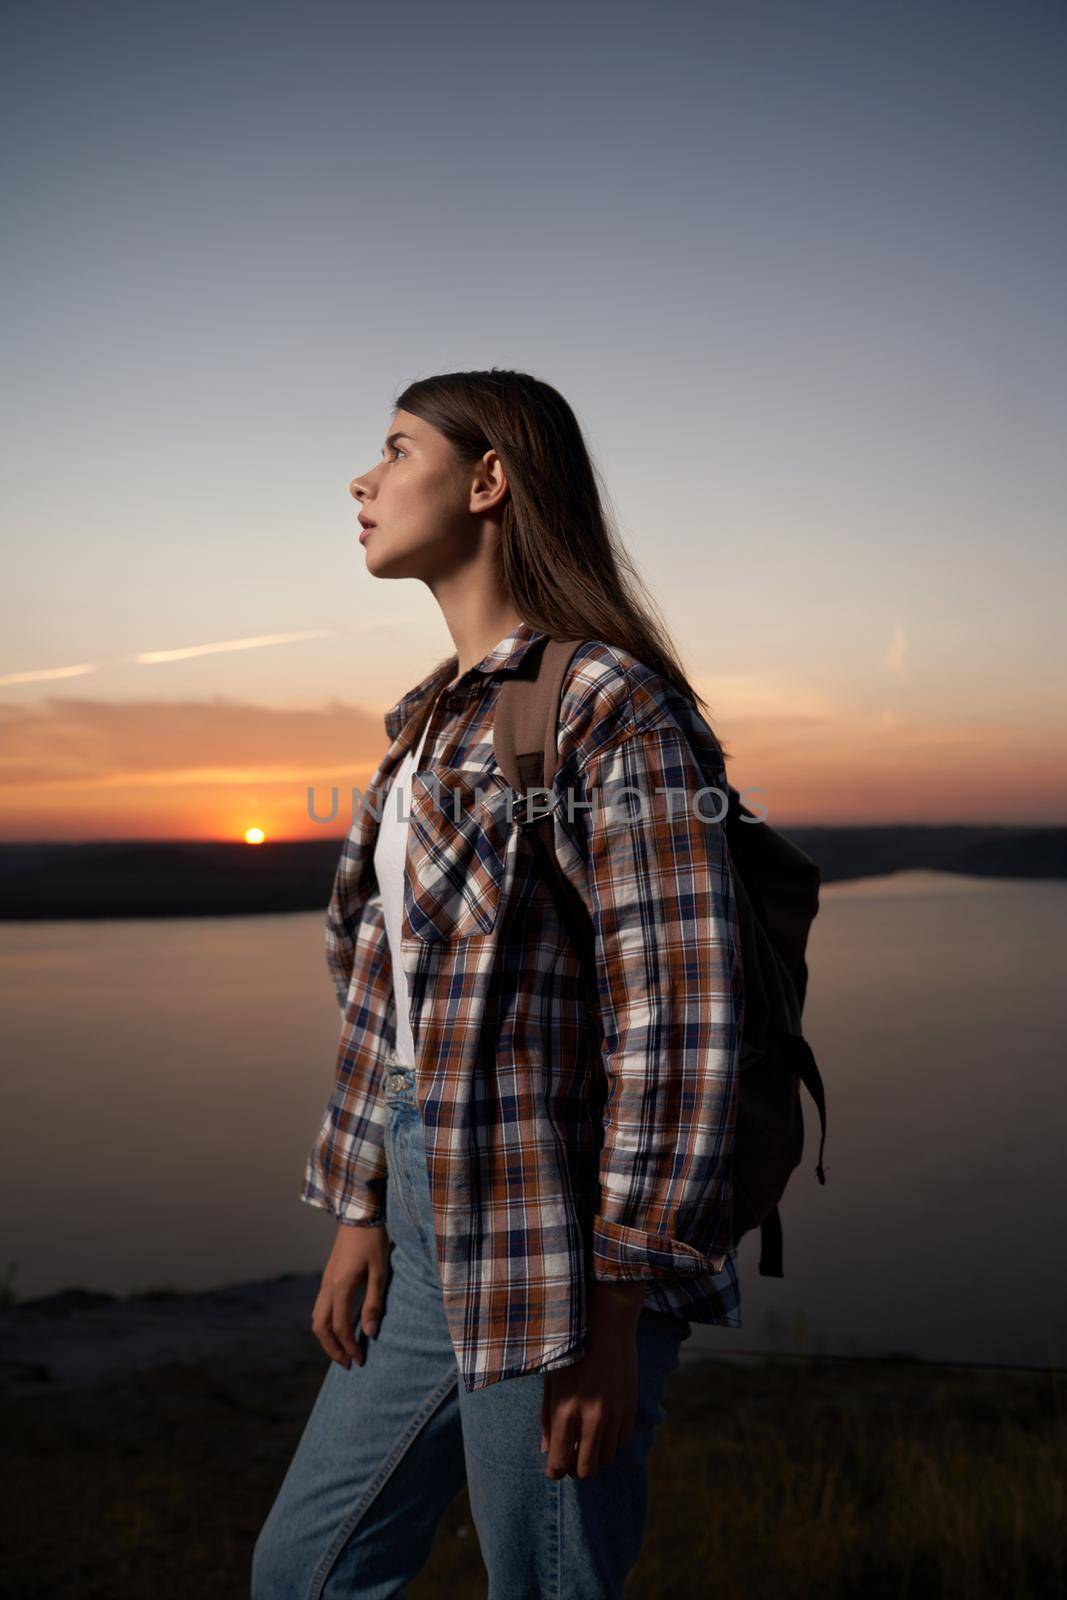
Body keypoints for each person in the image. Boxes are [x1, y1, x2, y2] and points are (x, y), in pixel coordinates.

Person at [252, 369, 744, 1598]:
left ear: (487, 481)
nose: (361, 480)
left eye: (394, 446)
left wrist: (618, 1302)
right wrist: (366, 1203)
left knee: (543, 1581)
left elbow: (676, 1013)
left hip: (558, 1234)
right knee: (301, 1571)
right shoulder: (426, 724)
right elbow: (386, 986)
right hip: (425, 1210)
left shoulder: (606, 705)